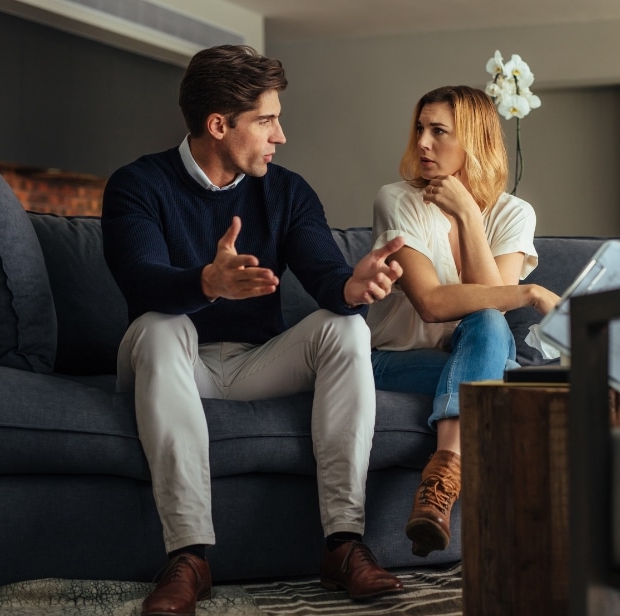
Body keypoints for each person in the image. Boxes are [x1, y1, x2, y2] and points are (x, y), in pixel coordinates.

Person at [102, 45, 408, 615]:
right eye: (266, 120)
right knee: (160, 326)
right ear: (219, 125)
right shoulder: (137, 185)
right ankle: (189, 558)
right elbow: (141, 282)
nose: (280, 135)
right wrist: (207, 284)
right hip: (172, 363)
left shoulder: (286, 191)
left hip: (255, 362)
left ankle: (343, 545)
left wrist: (353, 288)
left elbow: (324, 273)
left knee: (345, 330)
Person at [365, 85, 560, 557]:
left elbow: (488, 308)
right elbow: (431, 302)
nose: (423, 143)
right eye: (420, 129)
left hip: (468, 356)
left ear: (473, 140)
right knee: (502, 382)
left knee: (490, 330)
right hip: (392, 359)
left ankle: (441, 480)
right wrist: (531, 292)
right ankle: (470, 491)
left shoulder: (513, 213)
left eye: (439, 131)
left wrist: (470, 216)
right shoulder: (397, 200)